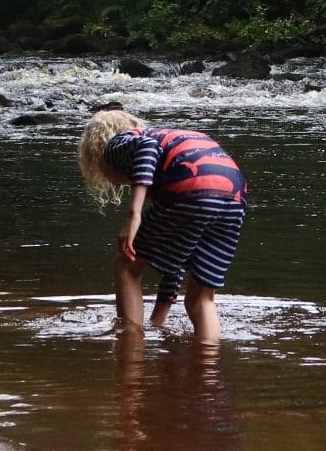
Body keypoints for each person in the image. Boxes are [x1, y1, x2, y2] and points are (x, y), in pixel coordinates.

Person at [78, 109, 248, 342]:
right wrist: (157, 321)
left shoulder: (116, 145)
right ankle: (207, 371)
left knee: (126, 266)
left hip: (192, 186)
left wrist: (134, 214)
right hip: (234, 196)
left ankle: (130, 354)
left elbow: (146, 148)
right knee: (200, 299)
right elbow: (177, 259)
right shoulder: (170, 159)